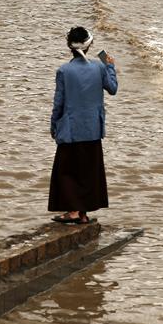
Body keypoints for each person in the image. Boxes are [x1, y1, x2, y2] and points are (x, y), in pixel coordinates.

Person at [48, 26, 118, 224]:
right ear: (89, 46)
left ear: (70, 47)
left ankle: (73, 212)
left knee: (67, 172)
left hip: (70, 130)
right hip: (93, 129)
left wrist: (53, 126)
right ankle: (83, 214)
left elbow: (58, 103)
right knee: (89, 171)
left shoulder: (64, 70)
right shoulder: (100, 67)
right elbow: (112, 89)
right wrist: (110, 66)